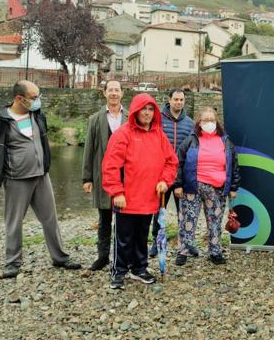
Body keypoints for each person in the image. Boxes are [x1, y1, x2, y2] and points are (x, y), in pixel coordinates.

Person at [0, 80, 81, 279]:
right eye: (34, 98)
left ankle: (60, 258)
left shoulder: (37, 115)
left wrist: (44, 164)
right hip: (16, 179)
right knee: (14, 222)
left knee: (50, 219)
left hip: (41, 176)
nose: (38, 101)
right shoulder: (1, 120)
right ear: (20, 99)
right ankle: (12, 263)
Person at [102, 93, 178, 290]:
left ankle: (139, 268)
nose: (147, 112)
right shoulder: (123, 133)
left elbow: (171, 162)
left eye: (151, 109)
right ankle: (119, 271)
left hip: (149, 199)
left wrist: (164, 180)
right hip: (126, 200)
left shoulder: (159, 134)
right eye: (143, 108)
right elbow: (111, 165)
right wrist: (117, 192)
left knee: (142, 237)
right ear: (135, 110)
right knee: (123, 238)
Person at [174, 107, 240, 266]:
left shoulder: (225, 141)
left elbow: (234, 165)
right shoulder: (191, 140)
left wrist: (233, 187)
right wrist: (177, 184)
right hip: (192, 186)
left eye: (212, 120)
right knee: (187, 221)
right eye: (205, 120)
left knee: (215, 221)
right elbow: (178, 162)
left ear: (217, 122)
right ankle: (183, 251)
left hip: (217, 189)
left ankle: (215, 252)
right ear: (199, 122)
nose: (209, 123)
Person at [82, 80, 127, 271]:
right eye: (111, 90)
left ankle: (123, 257)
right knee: (104, 219)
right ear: (104, 93)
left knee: (125, 220)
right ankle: (102, 256)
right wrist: (87, 178)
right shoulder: (95, 119)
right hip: (103, 175)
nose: (114, 93)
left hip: (127, 176)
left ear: (122, 93)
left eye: (117, 90)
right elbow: (88, 150)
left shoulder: (131, 117)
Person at [149, 88, 194, 258]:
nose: (179, 103)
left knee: (183, 211)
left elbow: (192, 149)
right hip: (161, 174)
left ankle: (185, 243)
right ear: (169, 100)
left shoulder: (189, 123)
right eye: (176, 99)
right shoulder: (158, 120)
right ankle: (157, 241)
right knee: (158, 210)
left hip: (181, 175)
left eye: (181, 100)